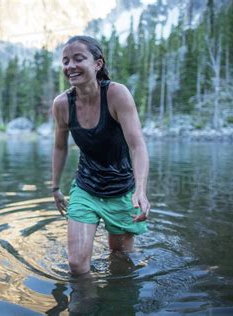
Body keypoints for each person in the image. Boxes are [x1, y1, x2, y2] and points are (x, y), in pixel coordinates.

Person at [51, 35, 150, 276]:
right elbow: (60, 147)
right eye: (65, 61)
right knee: (76, 265)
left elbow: (137, 146)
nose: (70, 66)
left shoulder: (117, 94)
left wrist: (140, 190)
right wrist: (55, 187)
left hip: (121, 189)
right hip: (86, 187)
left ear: (97, 64)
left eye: (78, 58)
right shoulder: (62, 104)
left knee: (120, 259)